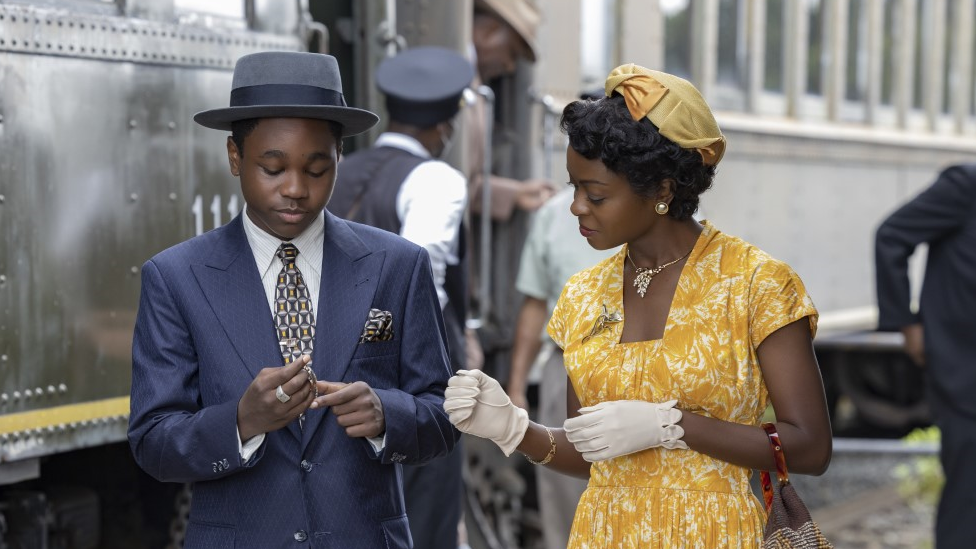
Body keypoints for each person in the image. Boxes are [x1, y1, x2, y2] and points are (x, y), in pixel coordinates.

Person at [444, 63, 833, 548]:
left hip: (714, 534)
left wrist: (672, 427)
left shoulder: (756, 284)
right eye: (574, 187)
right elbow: (590, 457)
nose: (576, 208)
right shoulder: (582, 296)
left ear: (663, 192)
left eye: (596, 194)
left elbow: (812, 448)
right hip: (605, 533)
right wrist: (512, 428)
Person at [127, 51, 458, 549]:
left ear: (340, 158)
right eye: (273, 168)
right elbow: (153, 441)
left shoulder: (396, 264)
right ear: (235, 157)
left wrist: (388, 415)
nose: (296, 189)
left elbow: (443, 415)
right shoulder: (175, 278)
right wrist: (241, 421)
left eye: (317, 169)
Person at [328, 46, 474, 549]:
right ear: (447, 125)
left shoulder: (335, 169)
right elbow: (423, 272)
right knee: (424, 513)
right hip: (408, 379)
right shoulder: (436, 179)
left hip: (330, 371)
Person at [504, 183, 618, 549]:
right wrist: (517, 386)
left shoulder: (662, 214)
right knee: (563, 496)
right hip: (564, 365)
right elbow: (535, 303)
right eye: (574, 183)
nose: (578, 207)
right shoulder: (553, 213)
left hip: (640, 368)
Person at [875, 164, 976, 549]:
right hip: (965, 371)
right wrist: (905, 322)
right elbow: (891, 236)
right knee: (969, 497)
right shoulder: (966, 185)